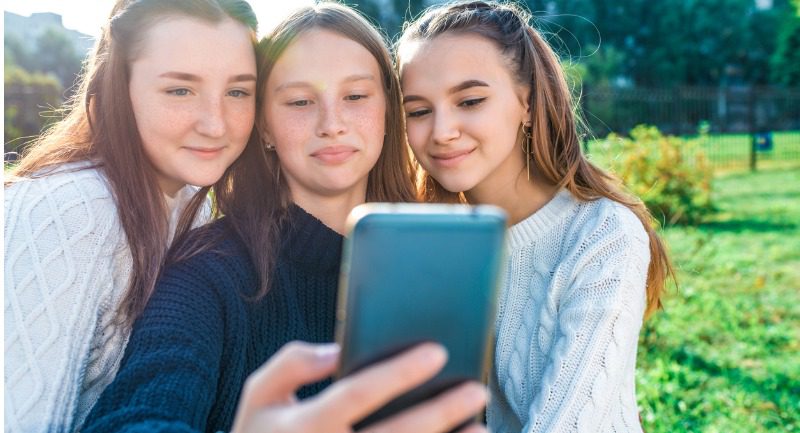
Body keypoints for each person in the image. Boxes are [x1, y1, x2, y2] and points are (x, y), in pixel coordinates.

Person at [81, 4, 488, 433]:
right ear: (265, 127)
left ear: (389, 110)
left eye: (355, 96)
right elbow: (135, 419)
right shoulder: (207, 272)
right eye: (300, 101)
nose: (332, 124)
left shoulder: (442, 266)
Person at [397, 1, 674, 432]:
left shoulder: (603, 232)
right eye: (417, 111)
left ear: (525, 102)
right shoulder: (433, 246)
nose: (441, 131)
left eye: (469, 101)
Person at [4, 1, 258, 431]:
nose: (216, 124)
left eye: (237, 91)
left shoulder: (195, 201)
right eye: (180, 90)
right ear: (120, 88)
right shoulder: (67, 210)